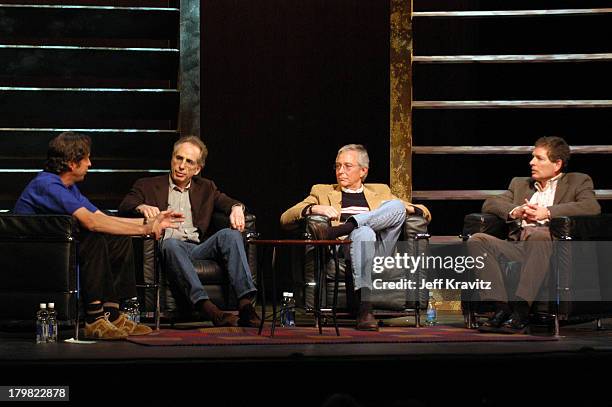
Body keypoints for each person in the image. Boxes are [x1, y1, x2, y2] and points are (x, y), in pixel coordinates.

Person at [14, 131, 183, 340]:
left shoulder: (68, 188)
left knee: (117, 238)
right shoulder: (47, 185)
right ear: (71, 163)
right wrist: (146, 229)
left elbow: (102, 217)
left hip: (57, 251)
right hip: (33, 255)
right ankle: (94, 318)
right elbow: (92, 223)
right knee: (92, 235)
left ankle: (112, 314)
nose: (90, 163)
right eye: (85, 158)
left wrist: (151, 222)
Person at [280, 144, 431, 331]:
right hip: (344, 249)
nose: (340, 171)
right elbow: (285, 218)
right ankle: (365, 309)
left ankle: (343, 228)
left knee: (397, 207)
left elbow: (425, 212)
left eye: (347, 166)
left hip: (380, 248)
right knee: (364, 232)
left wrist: (407, 208)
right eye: (337, 166)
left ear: (363, 171)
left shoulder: (381, 191)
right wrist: (313, 208)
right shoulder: (322, 191)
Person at [118, 135, 260, 327]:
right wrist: (141, 207)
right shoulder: (148, 185)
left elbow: (228, 202)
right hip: (168, 247)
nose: (181, 166)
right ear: (172, 159)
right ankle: (208, 309)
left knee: (231, 235)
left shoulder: (206, 187)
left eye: (189, 161)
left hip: (197, 247)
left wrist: (236, 208)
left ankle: (246, 306)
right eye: (178, 158)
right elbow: (125, 205)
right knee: (170, 244)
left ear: (197, 169)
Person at [471, 136, 600, 334]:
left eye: (539, 158)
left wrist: (546, 212)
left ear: (557, 164)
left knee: (540, 236)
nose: (531, 163)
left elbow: (591, 207)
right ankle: (501, 308)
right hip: (520, 245)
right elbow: (490, 203)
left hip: (550, 250)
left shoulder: (577, 181)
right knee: (477, 240)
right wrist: (517, 210)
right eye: (533, 157)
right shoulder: (521, 184)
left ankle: (521, 310)